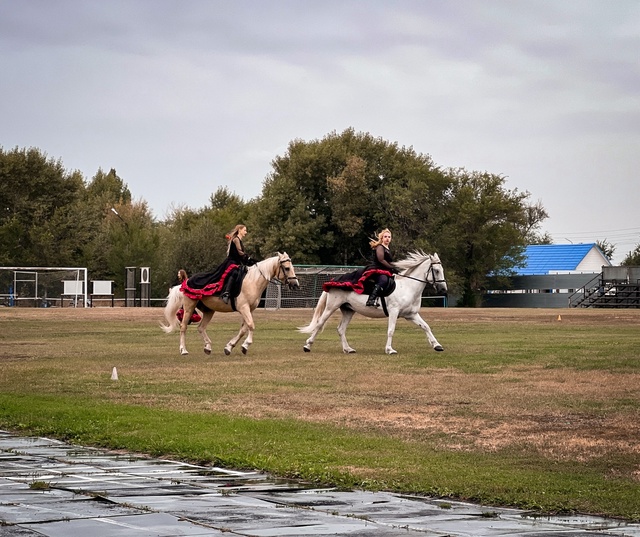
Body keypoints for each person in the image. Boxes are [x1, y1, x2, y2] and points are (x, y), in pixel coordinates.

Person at [220, 224, 257, 304]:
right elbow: (240, 252)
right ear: (239, 230)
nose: (246, 232)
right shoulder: (236, 239)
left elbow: (241, 255)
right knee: (234, 273)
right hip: (231, 262)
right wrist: (249, 259)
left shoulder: (239, 240)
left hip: (237, 262)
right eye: (244, 230)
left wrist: (249, 261)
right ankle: (226, 293)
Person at [364, 228, 397, 307]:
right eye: (385, 236)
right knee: (383, 280)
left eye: (389, 237)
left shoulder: (388, 249)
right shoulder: (380, 247)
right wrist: (391, 268)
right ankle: (371, 299)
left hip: (385, 270)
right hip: (377, 269)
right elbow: (381, 260)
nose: (387, 238)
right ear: (382, 238)